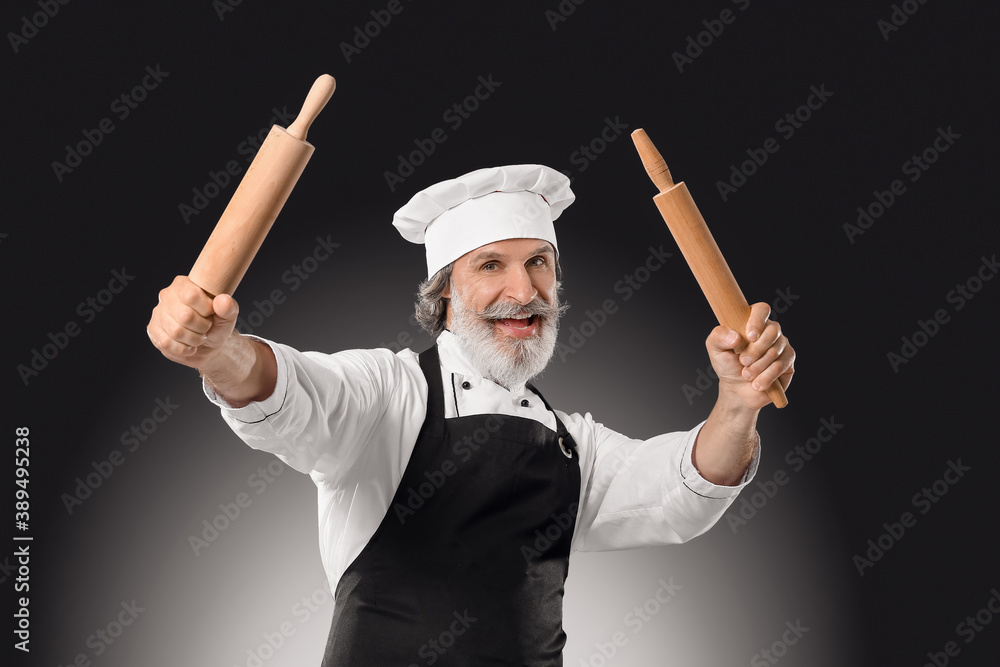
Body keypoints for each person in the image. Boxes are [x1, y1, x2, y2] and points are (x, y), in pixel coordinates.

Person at [147, 164, 795, 665]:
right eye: (491, 265)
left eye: (539, 263)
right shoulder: (389, 395)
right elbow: (292, 393)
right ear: (444, 292)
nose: (524, 291)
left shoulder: (572, 445)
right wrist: (220, 351)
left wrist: (737, 403)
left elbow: (678, 490)